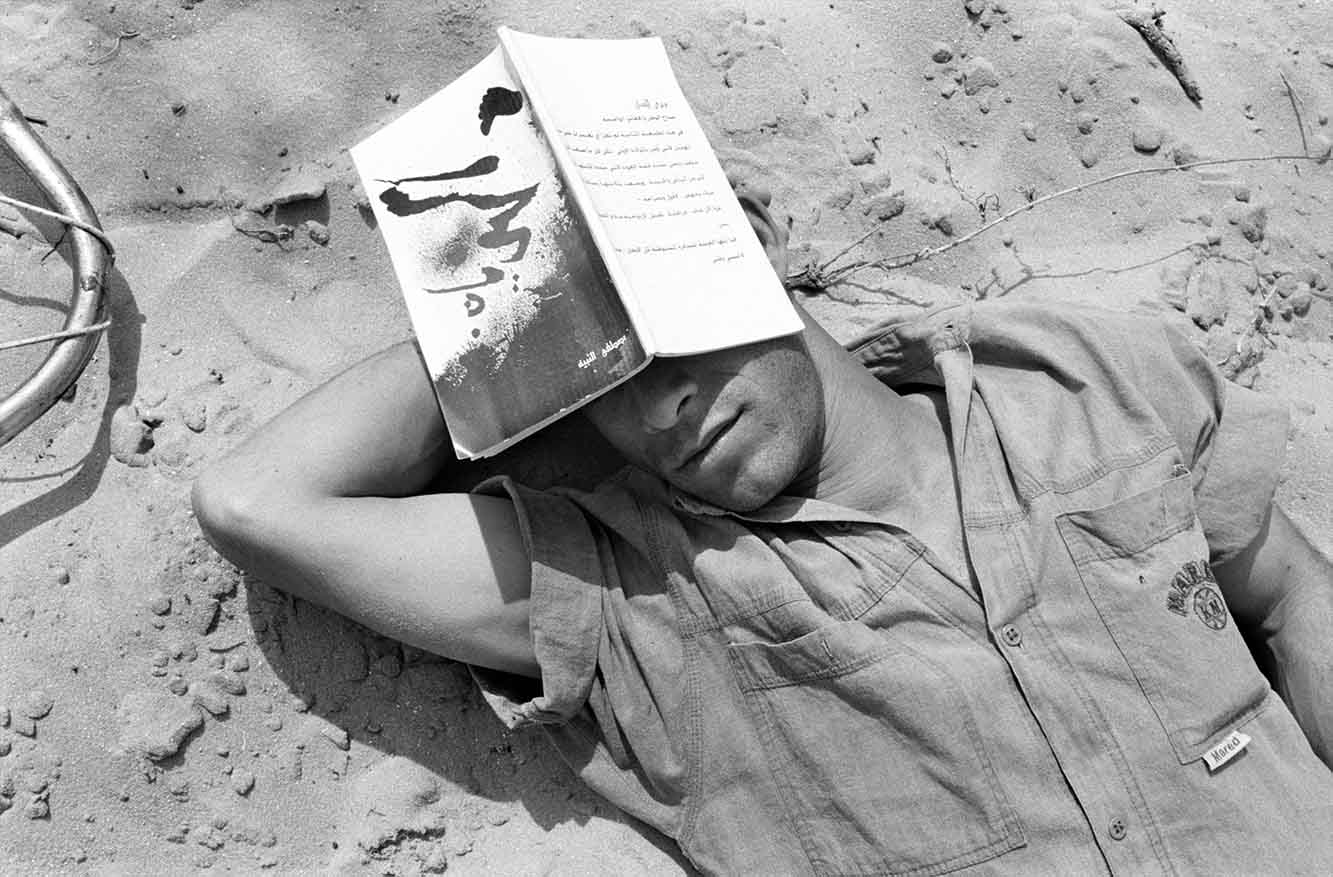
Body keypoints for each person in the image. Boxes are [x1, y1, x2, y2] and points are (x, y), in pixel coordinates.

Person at [192, 188, 1333, 875]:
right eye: (589, 379)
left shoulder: (1071, 382)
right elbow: (260, 504)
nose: (656, 410)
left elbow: (1289, 593)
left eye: (650, 331)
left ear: (748, 239)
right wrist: (507, 302)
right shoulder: (642, 590)